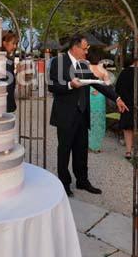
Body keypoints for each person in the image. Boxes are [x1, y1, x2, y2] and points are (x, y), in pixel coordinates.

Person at [48, 34, 128, 197]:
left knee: (81, 150)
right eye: (84, 49)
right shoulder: (58, 62)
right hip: (65, 115)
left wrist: (117, 98)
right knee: (64, 150)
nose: (86, 52)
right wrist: (70, 85)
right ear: (75, 47)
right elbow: (52, 86)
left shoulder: (83, 64)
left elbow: (96, 83)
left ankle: (82, 181)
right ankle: (64, 183)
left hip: (82, 114)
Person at [87, 50, 113, 153]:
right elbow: (108, 84)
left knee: (87, 119)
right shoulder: (103, 70)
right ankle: (96, 146)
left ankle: (87, 144)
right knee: (99, 121)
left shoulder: (86, 69)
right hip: (99, 96)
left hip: (88, 94)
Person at [2, 31, 19, 113]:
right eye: (13, 43)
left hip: (7, 103)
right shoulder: (4, 60)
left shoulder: (8, 60)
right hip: (4, 104)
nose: (15, 46)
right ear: (4, 43)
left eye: (16, 44)